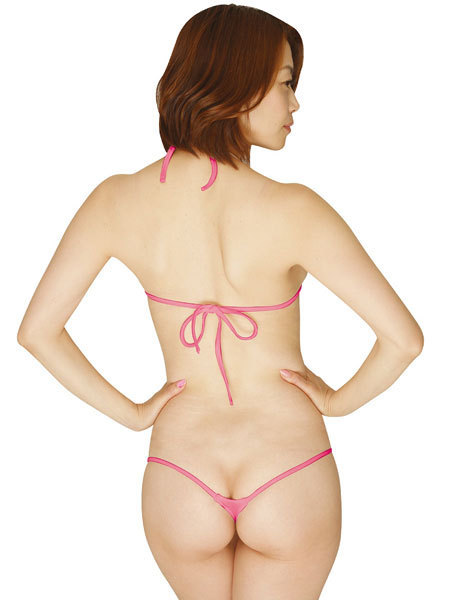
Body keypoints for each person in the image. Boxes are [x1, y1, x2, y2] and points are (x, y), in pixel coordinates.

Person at [17, 4, 424, 599]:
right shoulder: (296, 209)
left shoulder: (115, 200)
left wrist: (133, 414)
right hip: (288, 469)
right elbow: (404, 340)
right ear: (239, 84)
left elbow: (36, 332)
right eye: (286, 83)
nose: (295, 104)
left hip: (180, 473)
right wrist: (337, 401)